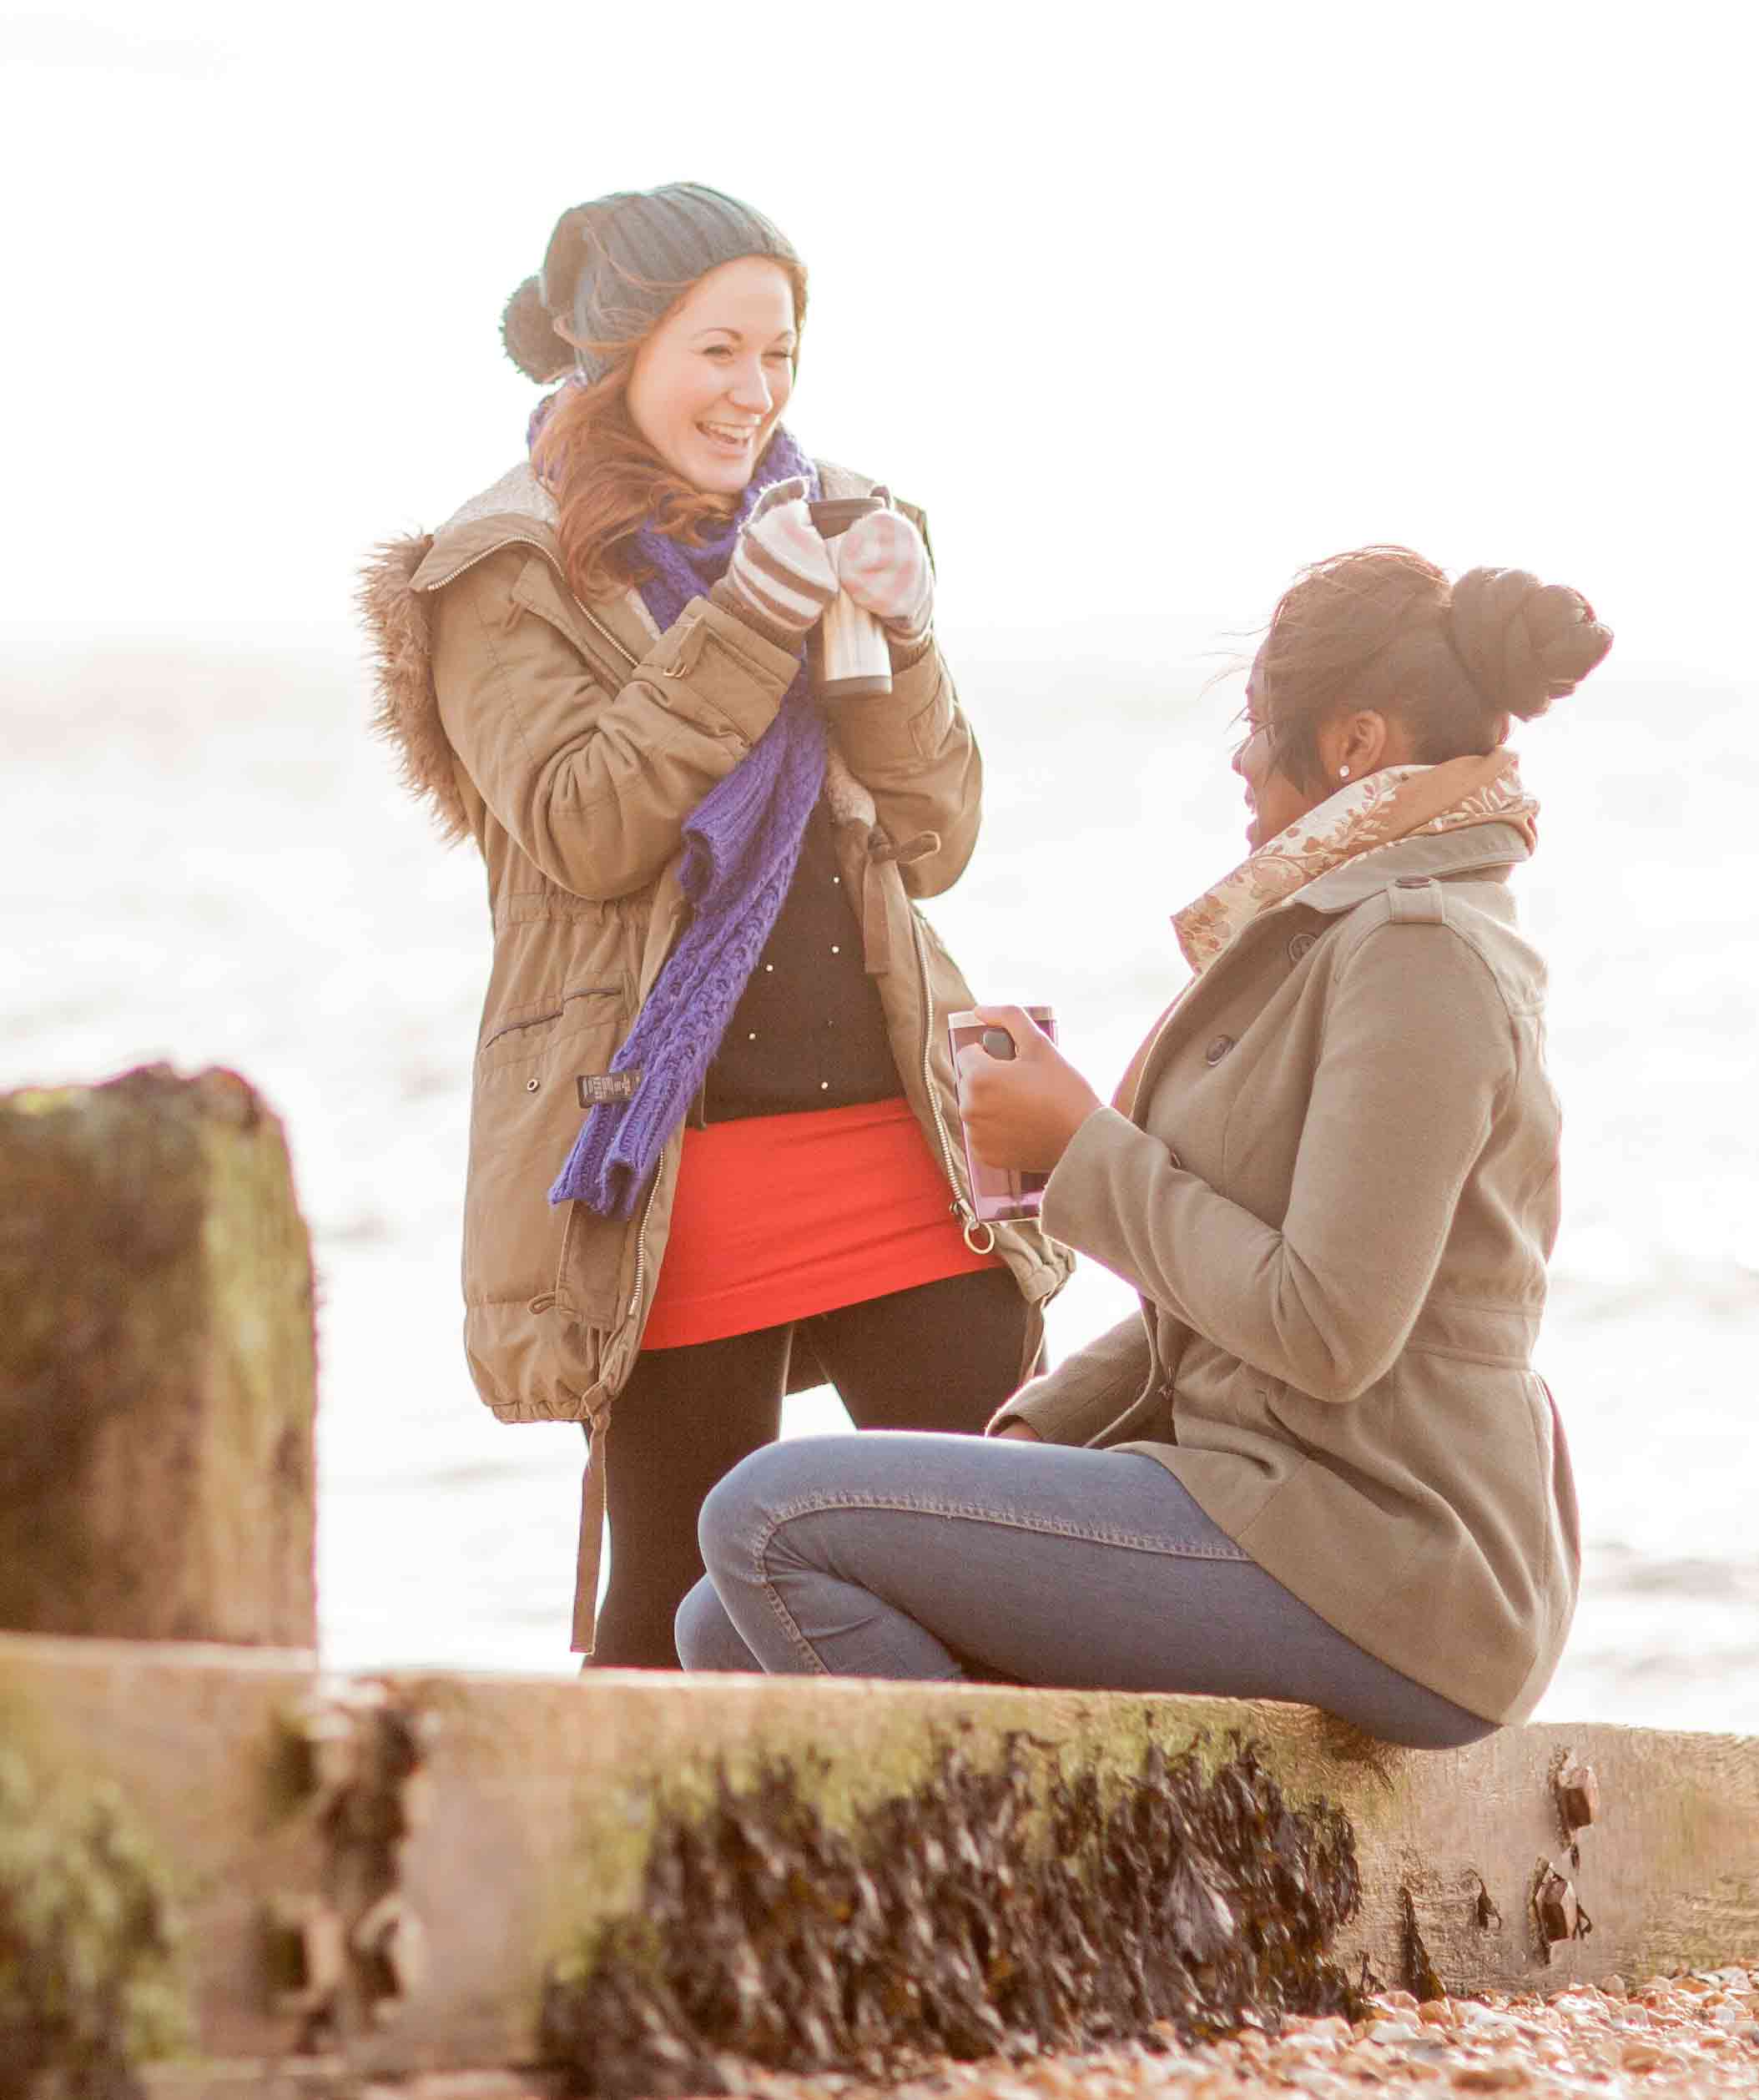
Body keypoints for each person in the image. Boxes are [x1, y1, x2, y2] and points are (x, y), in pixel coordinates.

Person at [673, 545, 1608, 1742]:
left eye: (1258, 719)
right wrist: (1023, 1451)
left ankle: (997, 1905)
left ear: (1354, 742)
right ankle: (997, 1884)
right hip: (1267, 1502)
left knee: (766, 1513)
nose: (1238, 755)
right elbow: (1214, 1298)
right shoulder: (1331, 929)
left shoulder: (1417, 950)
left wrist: (1078, 1154)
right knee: (719, 1626)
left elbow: (1326, 1326)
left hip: (1390, 1553)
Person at [360, 183, 1069, 1667]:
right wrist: (750, 619)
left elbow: (932, 836)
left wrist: (906, 637)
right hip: (671, 1164)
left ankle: (973, 1894)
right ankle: (617, 1900)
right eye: (718, 352)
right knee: (669, 1622)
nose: (755, 394)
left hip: (900, 1135)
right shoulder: (502, 571)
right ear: (618, 349)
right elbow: (582, 825)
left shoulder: (838, 520)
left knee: (1009, 1571)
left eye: (781, 356)